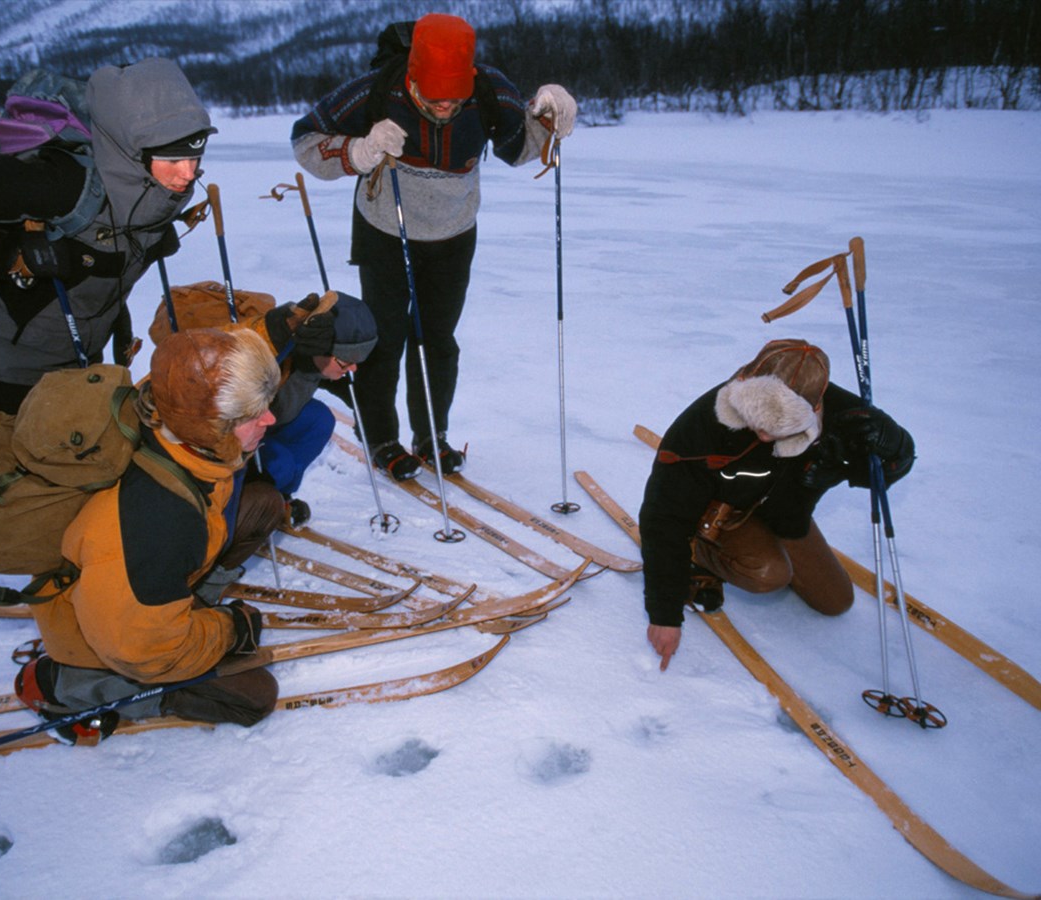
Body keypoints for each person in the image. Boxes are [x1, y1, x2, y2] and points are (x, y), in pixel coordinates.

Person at [291, 13, 577, 480]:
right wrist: (357, 151)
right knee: (383, 341)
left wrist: (549, 118)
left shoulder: (489, 92)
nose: (444, 108)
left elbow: (520, 147)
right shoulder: (375, 90)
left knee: (437, 340)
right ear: (412, 78)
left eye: (454, 99)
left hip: (453, 235)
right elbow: (305, 139)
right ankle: (382, 437)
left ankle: (431, 435)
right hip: (385, 229)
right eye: (433, 99)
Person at [0, 57, 215, 428]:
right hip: (2, 360)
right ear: (130, 150)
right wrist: (2, 253)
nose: (187, 173)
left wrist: (115, 323)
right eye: (171, 158)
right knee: (13, 475)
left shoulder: (152, 191)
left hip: (76, 354)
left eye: (194, 154)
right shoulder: (59, 185)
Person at [14, 327, 286, 732]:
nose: (270, 417)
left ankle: (186, 608)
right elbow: (145, 651)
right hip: (109, 632)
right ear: (212, 425)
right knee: (255, 697)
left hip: (147, 583)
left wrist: (283, 324)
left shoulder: (172, 408)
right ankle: (73, 686)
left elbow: (208, 359)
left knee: (264, 506)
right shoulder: (161, 520)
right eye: (251, 414)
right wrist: (227, 631)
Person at [638, 339, 916, 672]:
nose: (765, 436)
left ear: (813, 410)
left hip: (784, 514)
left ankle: (767, 539)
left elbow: (876, 478)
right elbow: (663, 518)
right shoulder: (702, 425)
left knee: (836, 601)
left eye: (780, 425)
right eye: (758, 420)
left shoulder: (845, 417)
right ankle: (700, 552)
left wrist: (897, 449)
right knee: (769, 573)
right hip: (721, 513)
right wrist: (665, 615)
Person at [246, 290, 379, 525]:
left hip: (275, 422)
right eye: (346, 362)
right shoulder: (278, 356)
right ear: (322, 350)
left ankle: (278, 496)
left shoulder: (317, 359)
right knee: (281, 464)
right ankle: (247, 503)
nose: (352, 369)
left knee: (320, 419)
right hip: (239, 439)